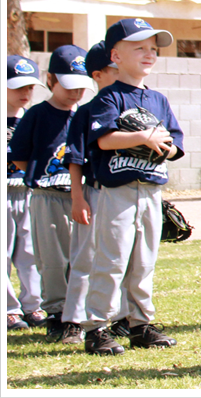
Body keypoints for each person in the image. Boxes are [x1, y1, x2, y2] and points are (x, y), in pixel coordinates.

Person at [81, 18, 185, 355]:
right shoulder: (109, 98)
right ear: (115, 55)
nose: (149, 54)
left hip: (152, 191)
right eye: (139, 47)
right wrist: (143, 136)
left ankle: (140, 324)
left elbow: (175, 145)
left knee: (144, 261)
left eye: (153, 49)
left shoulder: (158, 100)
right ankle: (97, 327)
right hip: (118, 191)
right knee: (111, 260)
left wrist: (164, 145)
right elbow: (104, 139)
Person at [9, 44, 94, 342]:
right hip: (47, 195)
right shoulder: (37, 114)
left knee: (82, 256)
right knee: (51, 257)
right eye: (68, 87)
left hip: (80, 194)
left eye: (81, 87)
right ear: (51, 81)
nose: (75, 94)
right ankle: (57, 313)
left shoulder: (83, 115)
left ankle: (78, 313)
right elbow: (20, 154)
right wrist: (39, 175)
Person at [59, 40, 134, 345]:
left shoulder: (131, 106)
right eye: (114, 70)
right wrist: (77, 197)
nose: (120, 75)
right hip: (95, 192)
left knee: (123, 258)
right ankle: (74, 320)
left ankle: (121, 318)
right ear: (98, 74)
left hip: (124, 194)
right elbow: (75, 159)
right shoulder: (88, 111)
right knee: (86, 257)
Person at [5, 55, 46, 331]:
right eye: (18, 87)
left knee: (31, 253)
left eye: (30, 87)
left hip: (29, 190)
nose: (25, 93)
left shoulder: (33, 118)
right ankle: (8, 310)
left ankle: (34, 306)